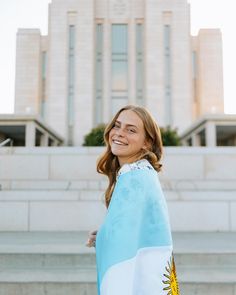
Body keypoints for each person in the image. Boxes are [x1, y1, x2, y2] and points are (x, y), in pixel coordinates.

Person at [86, 105, 180, 295]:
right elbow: (134, 232)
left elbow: (120, 255)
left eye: (131, 130)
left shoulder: (134, 178)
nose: (119, 133)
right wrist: (104, 234)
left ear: (146, 142)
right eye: (117, 126)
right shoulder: (141, 173)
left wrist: (107, 237)